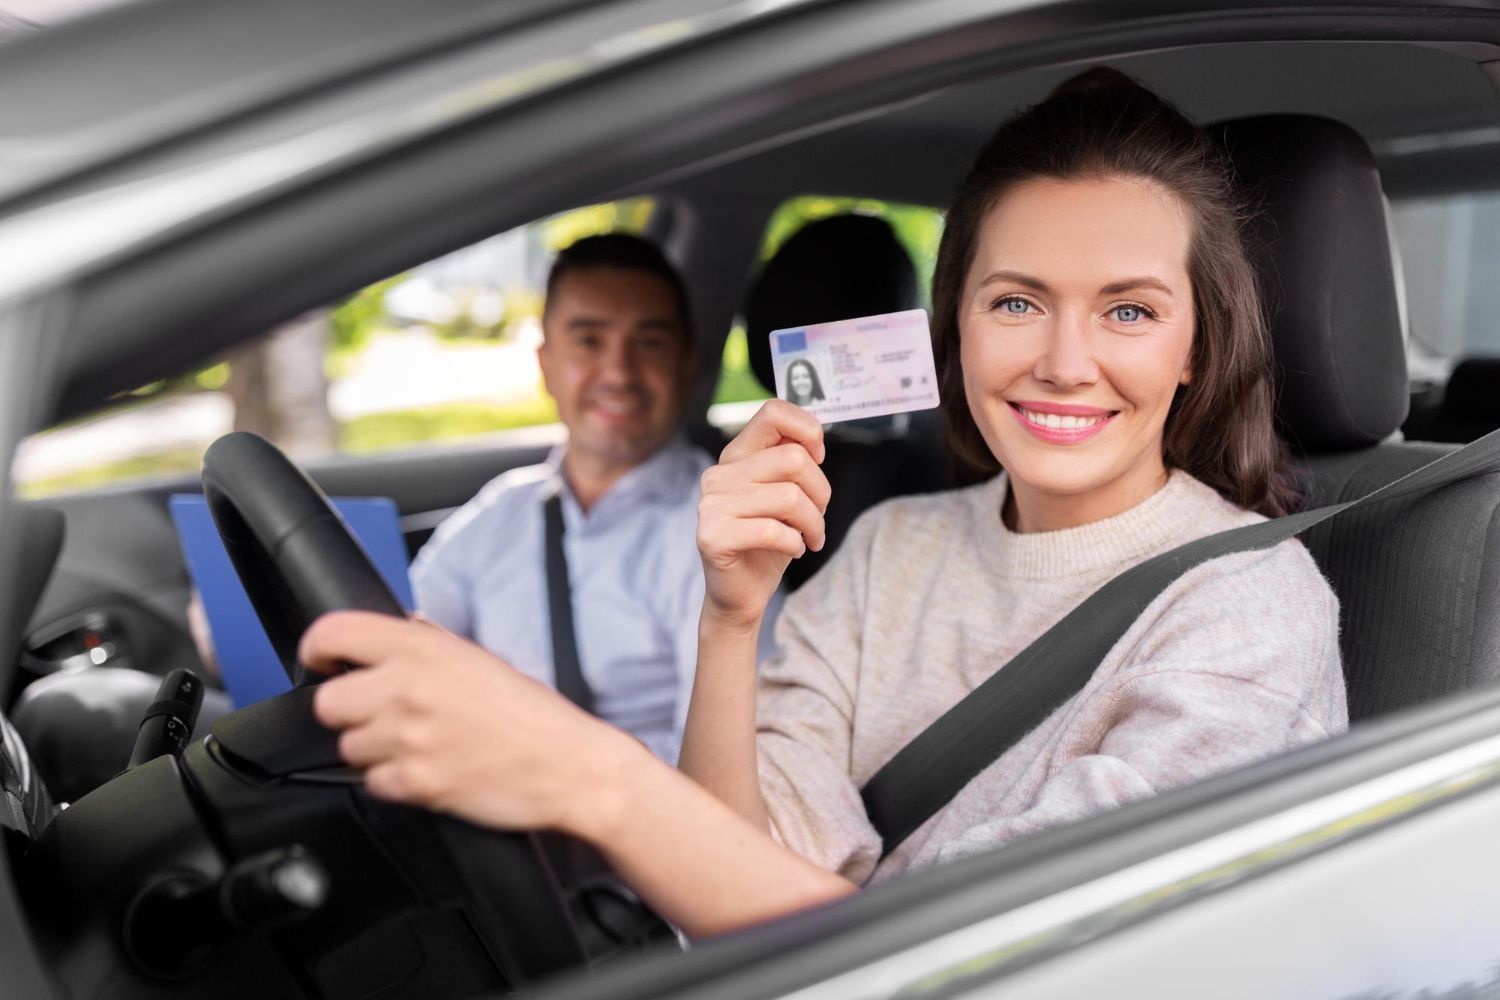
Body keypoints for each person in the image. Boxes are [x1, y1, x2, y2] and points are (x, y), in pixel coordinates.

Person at [301, 70, 1347, 939]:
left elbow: (992, 956)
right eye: (1018, 302)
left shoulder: (1249, 602)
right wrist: (732, 615)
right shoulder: (891, 543)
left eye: (1128, 309)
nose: (1063, 363)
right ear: (961, 331)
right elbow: (734, 878)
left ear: (1195, 349)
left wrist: (591, 777)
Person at [408, 233, 717, 764]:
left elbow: (721, 766)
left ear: (687, 363)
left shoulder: (719, 533)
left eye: (649, 343)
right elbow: (408, 646)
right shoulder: (502, 509)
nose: (618, 374)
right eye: (588, 341)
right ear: (546, 362)